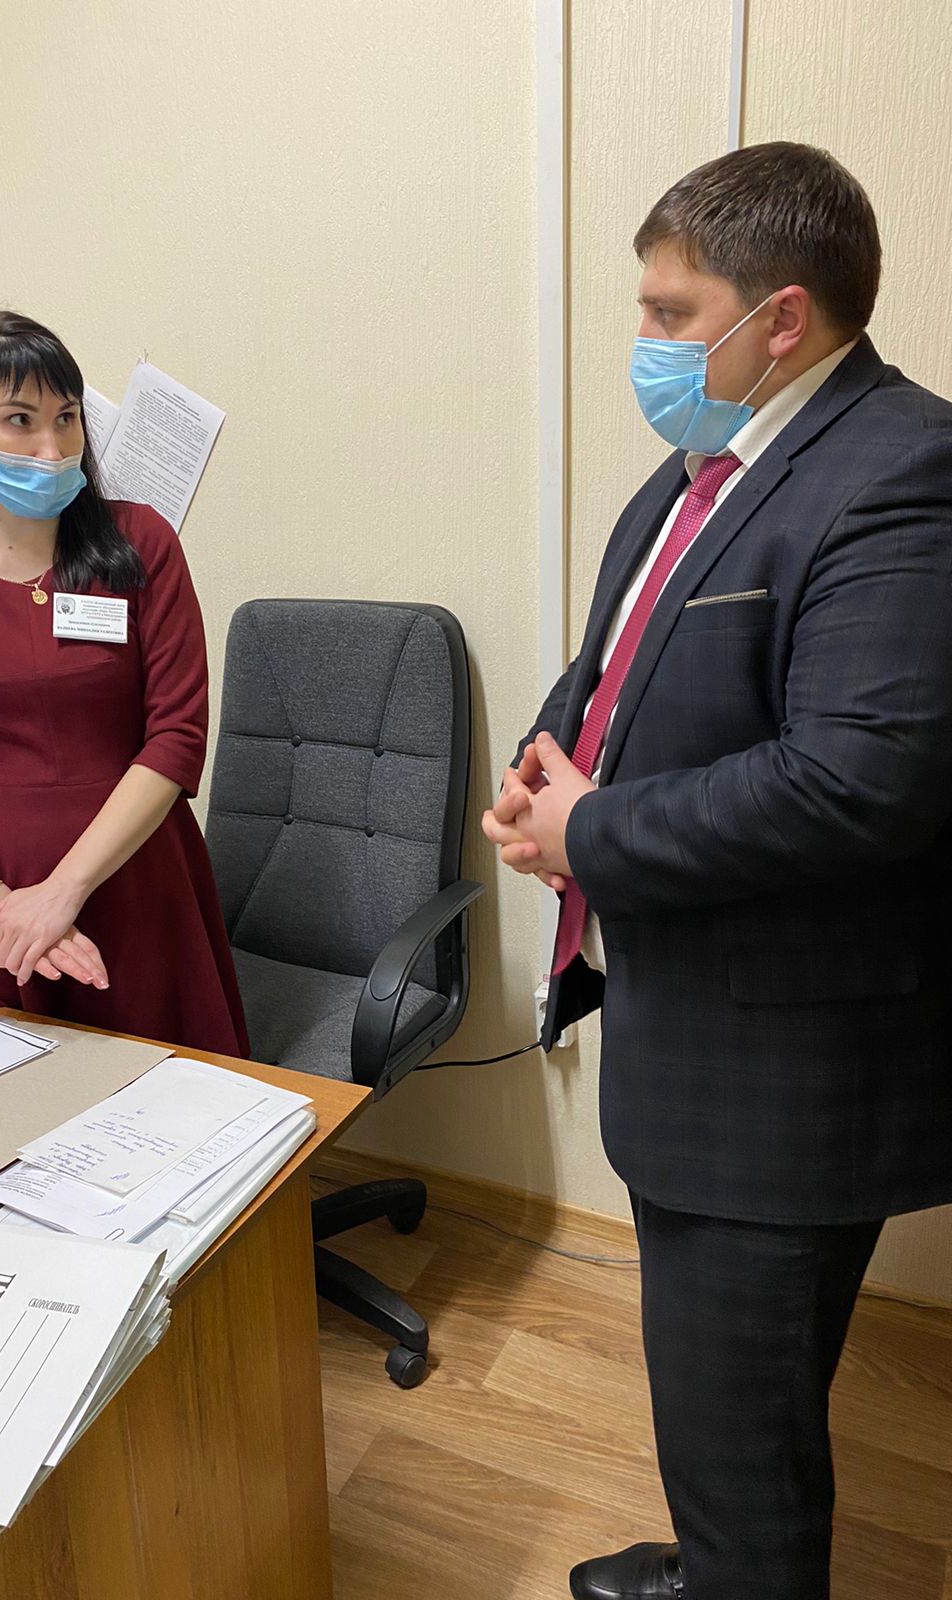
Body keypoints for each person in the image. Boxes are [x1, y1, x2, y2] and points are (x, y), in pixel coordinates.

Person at [482, 142, 952, 1600]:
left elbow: (857, 780)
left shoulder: (904, 469)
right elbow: (615, 663)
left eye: (670, 313)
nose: (646, 340)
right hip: (694, 1016)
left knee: (743, 1444)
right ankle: (711, 1565)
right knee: (729, 1403)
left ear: (783, 318)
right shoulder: (711, 463)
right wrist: (546, 764)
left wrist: (590, 835)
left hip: (779, 1080)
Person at [0, 309, 248, 1057]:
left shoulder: (140, 544)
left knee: (165, 1108)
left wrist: (62, 893)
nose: (52, 448)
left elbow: (175, 738)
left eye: (66, 418)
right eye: (19, 420)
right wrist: (5, 909)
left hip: (133, 883)